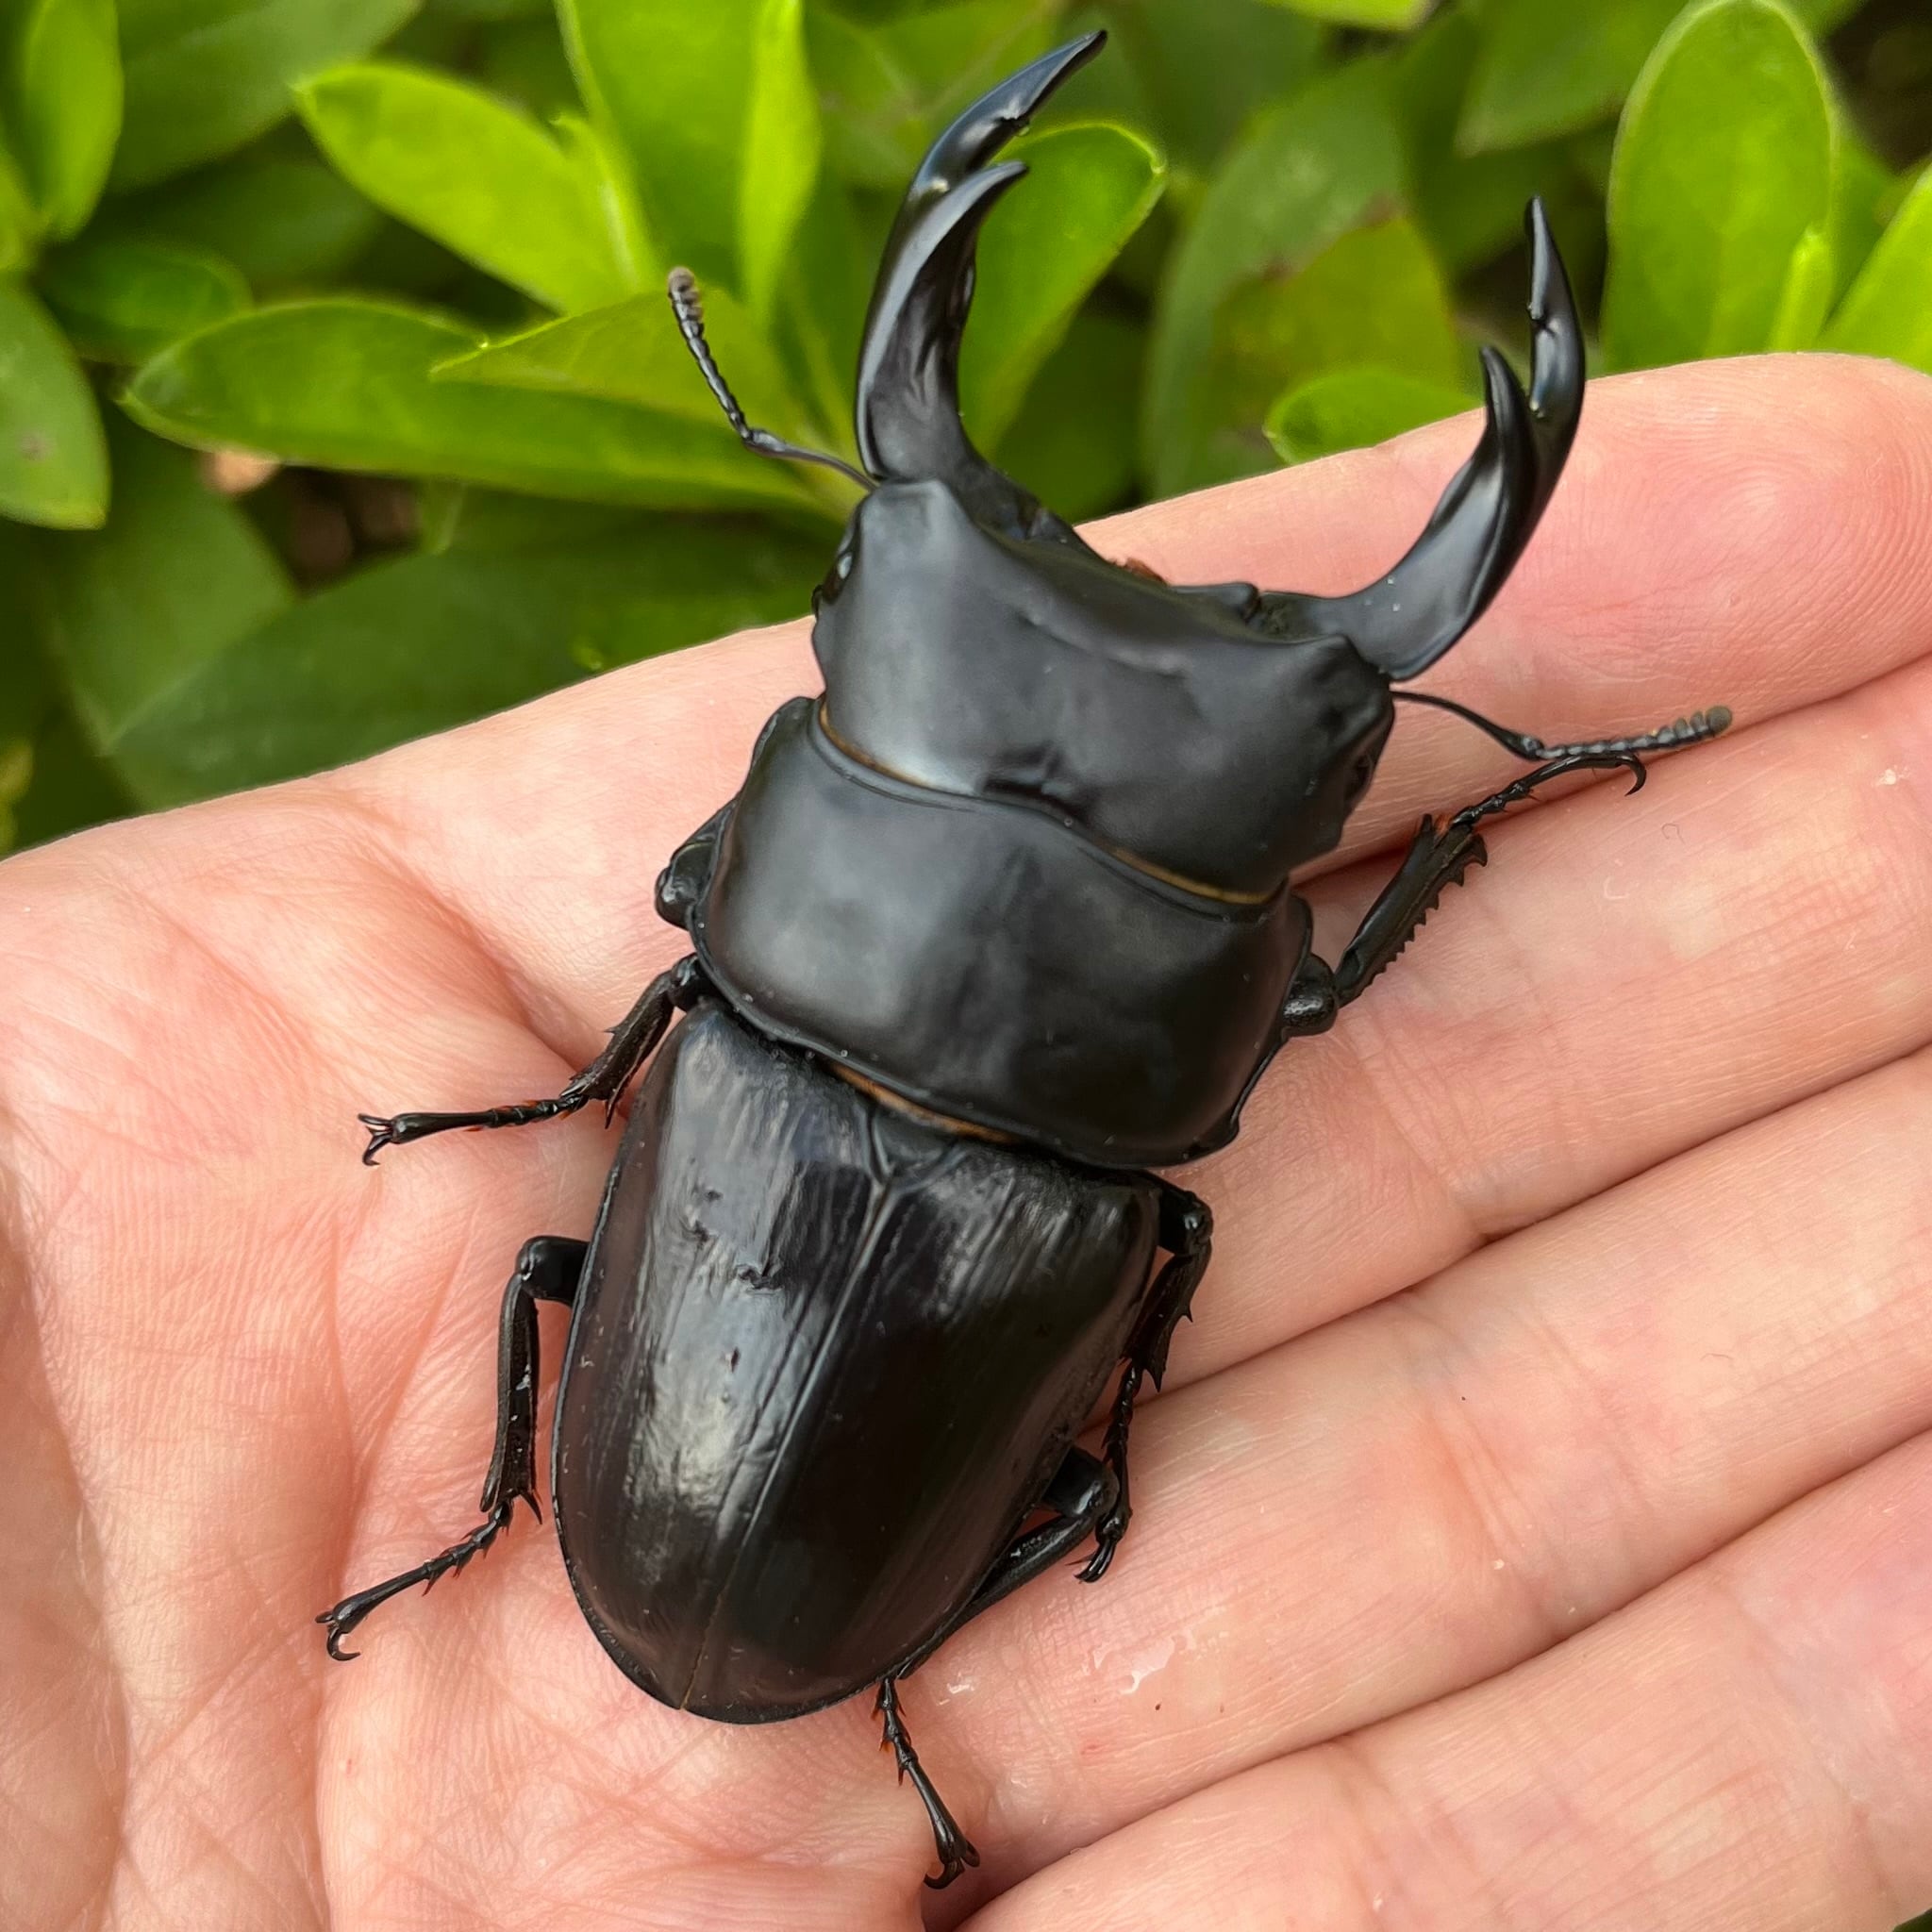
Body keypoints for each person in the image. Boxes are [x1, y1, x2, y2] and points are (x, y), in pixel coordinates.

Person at [4, 352, 1930, 1931]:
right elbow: (1302, 1006)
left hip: (755, 1458)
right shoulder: (1059, 1172)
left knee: (565, 1262)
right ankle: (645, 1570)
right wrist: (1462, 815)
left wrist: (578, 1097)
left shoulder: (712, 1014)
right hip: (864, 1473)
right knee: (1095, 1456)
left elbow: (698, 917)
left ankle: (507, 1526)